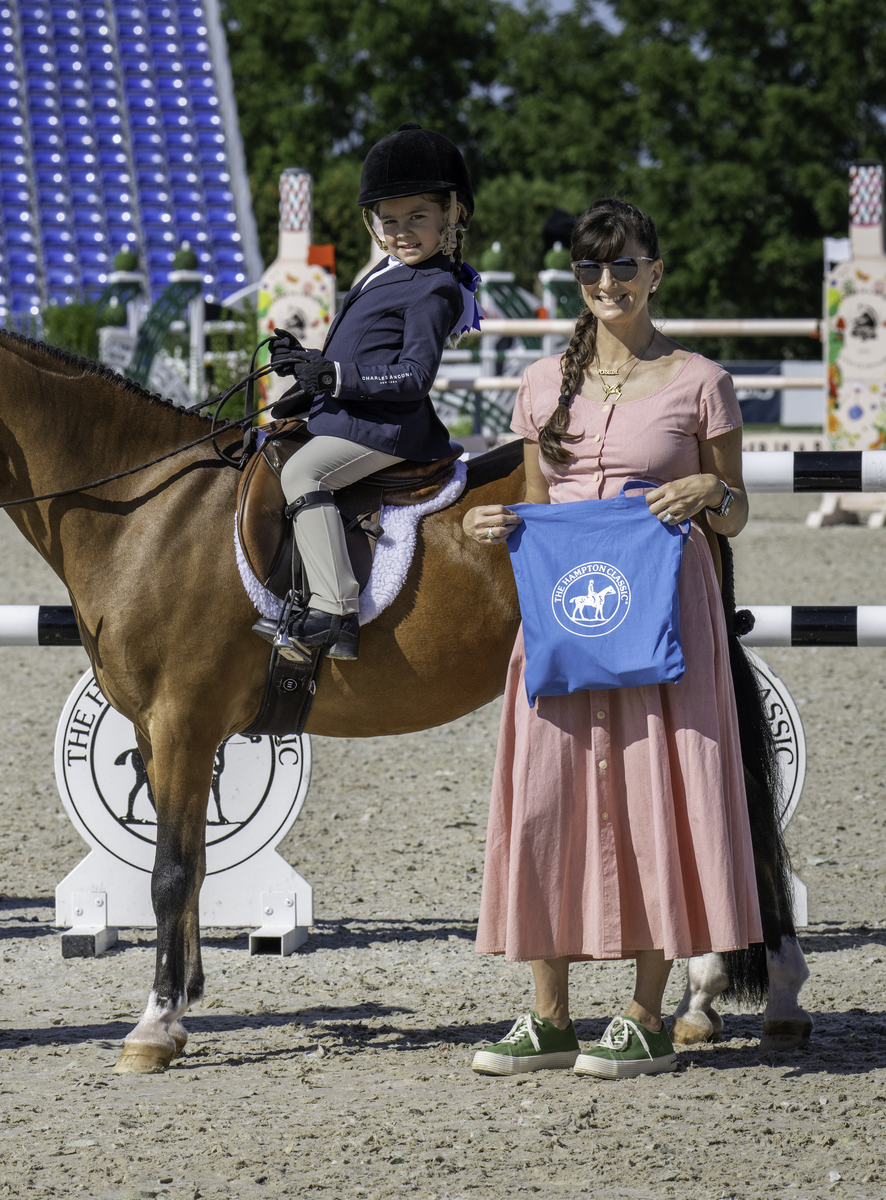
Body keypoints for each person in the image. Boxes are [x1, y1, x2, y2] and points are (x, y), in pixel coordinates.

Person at [461, 199, 761, 1079]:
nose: (606, 283)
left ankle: (644, 1015)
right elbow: (535, 506)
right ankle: (548, 1016)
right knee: (543, 794)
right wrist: (496, 523)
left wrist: (707, 491)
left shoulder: (702, 381)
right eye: (590, 271)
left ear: (655, 271)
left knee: (657, 792)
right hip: (565, 612)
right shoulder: (539, 383)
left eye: (622, 266)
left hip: (667, 611)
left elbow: (738, 514)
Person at [268, 123, 473, 662]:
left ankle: (335, 610)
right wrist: (307, 364)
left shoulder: (435, 285)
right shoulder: (382, 273)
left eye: (418, 218)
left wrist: (336, 378)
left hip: (389, 426)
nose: (403, 231)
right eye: (390, 221)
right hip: (351, 414)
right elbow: (360, 351)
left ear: (452, 214)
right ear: (373, 223)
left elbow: (412, 376)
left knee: (301, 473)